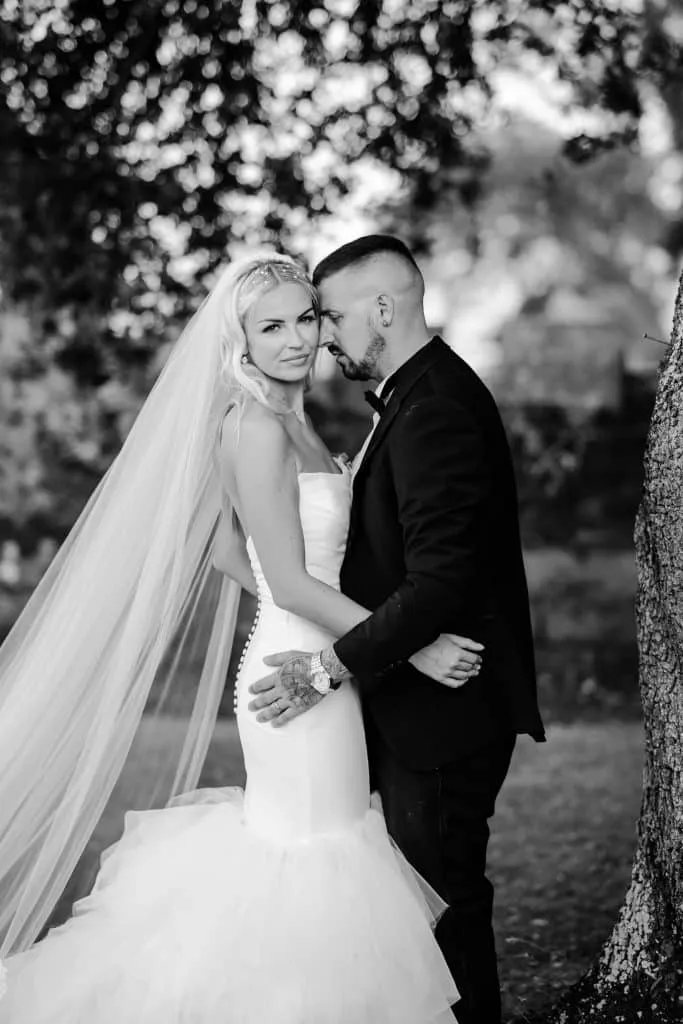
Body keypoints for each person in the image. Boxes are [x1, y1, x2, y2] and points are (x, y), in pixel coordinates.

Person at [0, 253, 488, 1022]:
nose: (296, 340)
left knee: (323, 854)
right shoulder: (254, 425)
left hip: (326, 661)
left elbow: (230, 549)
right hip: (297, 676)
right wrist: (412, 644)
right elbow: (290, 583)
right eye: (271, 327)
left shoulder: (295, 420)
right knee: (316, 856)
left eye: (306, 319)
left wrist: (320, 609)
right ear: (242, 340)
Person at [249, 236, 547, 1024]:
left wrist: (326, 668)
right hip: (417, 698)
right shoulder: (414, 396)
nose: (321, 335)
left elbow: (439, 580)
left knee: (441, 904)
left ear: (383, 308)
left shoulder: (434, 407)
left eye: (330, 315)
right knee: (412, 904)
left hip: (446, 712)